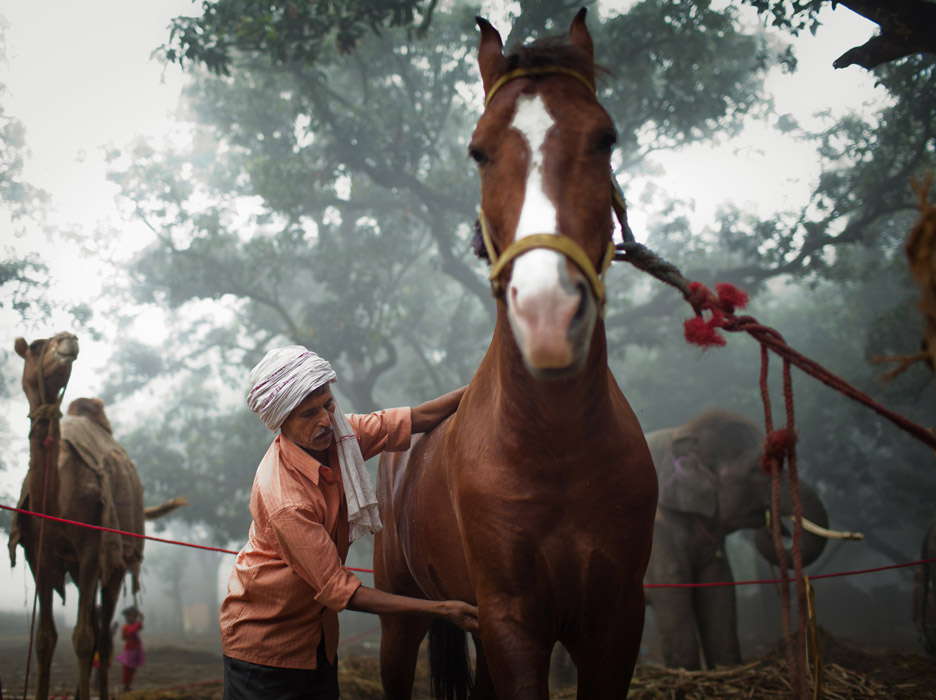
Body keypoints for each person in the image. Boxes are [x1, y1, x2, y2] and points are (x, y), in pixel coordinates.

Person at [220, 345, 478, 700]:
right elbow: (342, 590)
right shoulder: (286, 497)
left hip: (319, 641)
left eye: (328, 404)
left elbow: (415, 418)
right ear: (282, 422)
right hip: (266, 650)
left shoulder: (342, 436)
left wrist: (484, 384)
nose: (325, 420)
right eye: (309, 413)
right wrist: (441, 610)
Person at [115, 606, 145, 692]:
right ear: (127, 617)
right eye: (130, 616)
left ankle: (128, 685)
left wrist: (141, 618)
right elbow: (130, 632)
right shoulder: (126, 627)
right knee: (127, 669)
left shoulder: (134, 625)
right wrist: (139, 622)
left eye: (134, 616)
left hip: (136, 649)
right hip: (129, 650)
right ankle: (126, 685)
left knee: (133, 669)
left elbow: (140, 627)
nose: (132, 618)